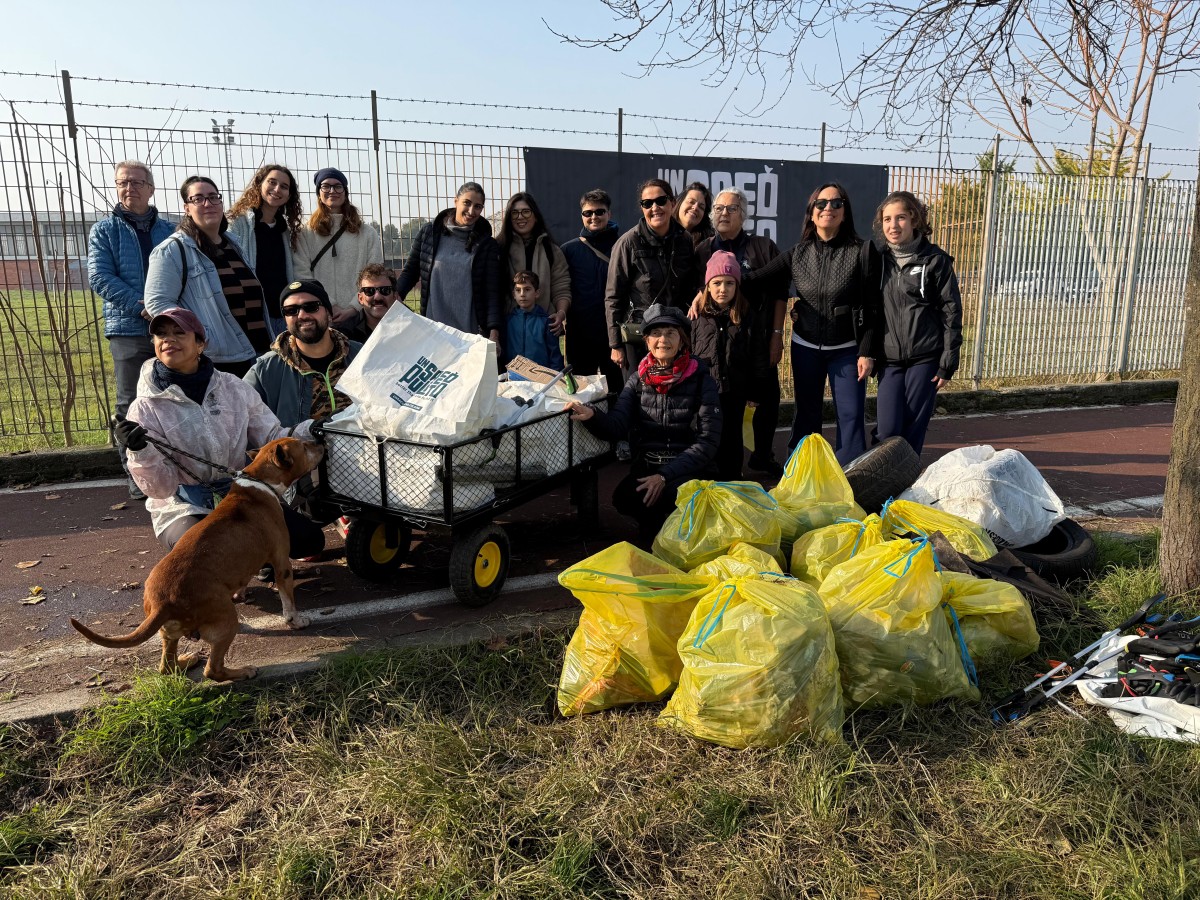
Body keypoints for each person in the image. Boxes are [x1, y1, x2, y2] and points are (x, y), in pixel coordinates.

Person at [114, 307, 324, 561]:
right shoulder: (146, 406)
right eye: (161, 334)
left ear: (200, 343)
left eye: (179, 333)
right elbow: (160, 489)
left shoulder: (232, 387)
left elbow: (271, 435)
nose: (168, 339)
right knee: (203, 552)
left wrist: (310, 429)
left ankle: (253, 555)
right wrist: (139, 452)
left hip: (238, 494)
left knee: (310, 541)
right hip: (183, 505)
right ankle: (249, 556)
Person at [744, 182, 882, 465]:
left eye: (836, 203)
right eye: (821, 203)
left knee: (851, 414)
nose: (828, 208)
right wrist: (710, 286)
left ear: (845, 211)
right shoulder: (798, 253)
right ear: (811, 211)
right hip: (805, 345)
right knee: (807, 413)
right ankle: (801, 475)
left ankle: (851, 477)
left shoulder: (863, 251)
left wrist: (866, 350)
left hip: (847, 349)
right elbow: (756, 279)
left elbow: (873, 307)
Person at [567, 304, 720, 544]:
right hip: (647, 466)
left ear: (682, 341)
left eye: (671, 333)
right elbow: (617, 424)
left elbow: (707, 443)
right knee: (626, 498)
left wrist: (663, 476)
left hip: (687, 470)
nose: (663, 340)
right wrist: (592, 416)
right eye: (656, 333)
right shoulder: (637, 380)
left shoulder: (702, 379)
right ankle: (663, 536)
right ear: (646, 341)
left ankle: (676, 538)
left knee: (666, 497)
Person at [88, 160, 176, 499]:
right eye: (123, 182)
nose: (130, 188)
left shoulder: (169, 230)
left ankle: (170, 468)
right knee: (129, 402)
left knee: (170, 397)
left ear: (151, 188)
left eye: (138, 182)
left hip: (168, 327)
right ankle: (135, 473)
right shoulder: (103, 231)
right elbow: (100, 277)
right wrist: (142, 306)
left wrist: (165, 311)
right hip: (127, 327)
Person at [694, 187, 787, 477]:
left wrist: (776, 335)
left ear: (743, 215)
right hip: (721, 348)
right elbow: (698, 293)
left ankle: (762, 455)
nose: (724, 213)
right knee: (724, 411)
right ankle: (719, 466)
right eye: (719, 208)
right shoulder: (702, 249)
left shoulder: (763, 247)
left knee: (767, 398)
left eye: (731, 208)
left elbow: (780, 294)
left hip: (757, 342)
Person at [144, 176, 268, 378]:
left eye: (213, 197)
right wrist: (201, 335)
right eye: (198, 199)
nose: (207, 204)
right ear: (186, 208)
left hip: (256, 351)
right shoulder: (171, 250)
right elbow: (158, 302)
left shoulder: (234, 244)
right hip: (218, 357)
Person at [874, 190, 963, 454]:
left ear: (914, 220)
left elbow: (951, 312)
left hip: (925, 359)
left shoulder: (935, 260)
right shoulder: (877, 260)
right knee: (888, 428)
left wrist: (948, 361)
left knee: (913, 426)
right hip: (888, 360)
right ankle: (882, 479)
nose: (893, 225)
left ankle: (907, 483)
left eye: (900, 217)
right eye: (887, 219)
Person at [605, 179, 697, 379]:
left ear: (672, 203)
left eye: (661, 201)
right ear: (642, 208)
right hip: (639, 336)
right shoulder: (627, 243)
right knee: (637, 398)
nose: (655, 208)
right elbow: (613, 297)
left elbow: (690, 287)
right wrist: (615, 345)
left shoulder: (685, 240)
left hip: (675, 337)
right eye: (647, 203)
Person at [244, 280, 362, 431]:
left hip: (363, 452)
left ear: (328, 312)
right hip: (303, 454)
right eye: (291, 310)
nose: (302, 315)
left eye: (311, 307)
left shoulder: (361, 355)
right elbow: (238, 417)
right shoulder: (265, 370)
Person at [396, 181, 504, 345]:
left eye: (478, 206)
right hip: (433, 331)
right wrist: (395, 296)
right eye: (466, 203)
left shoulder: (487, 245)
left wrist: (494, 333)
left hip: (470, 337)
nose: (471, 211)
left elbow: (492, 292)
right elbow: (410, 271)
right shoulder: (429, 233)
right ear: (456, 201)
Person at [690, 251, 752, 480]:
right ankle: (708, 480)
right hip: (705, 393)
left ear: (737, 286)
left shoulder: (745, 316)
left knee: (733, 436)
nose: (722, 289)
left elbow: (755, 355)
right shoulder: (696, 317)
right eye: (716, 283)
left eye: (729, 283)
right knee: (706, 435)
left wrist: (754, 391)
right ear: (707, 286)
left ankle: (733, 479)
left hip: (735, 391)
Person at [295, 167, 383, 326]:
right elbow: (302, 272)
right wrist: (328, 303)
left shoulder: (367, 233)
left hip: (360, 315)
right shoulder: (305, 233)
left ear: (345, 192)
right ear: (318, 193)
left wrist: (353, 307)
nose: (332, 191)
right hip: (320, 312)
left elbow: (375, 275)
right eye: (326, 186)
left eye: (338, 186)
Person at [227, 164, 303, 340]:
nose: (277, 189)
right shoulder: (238, 224)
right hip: (251, 316)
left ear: (289, 195)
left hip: (282, 314)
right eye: (272, 182)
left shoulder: (286, 231)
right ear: (259, 184)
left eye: (284, 187)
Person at [560, 188, 622, 391]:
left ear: (609, 214)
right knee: (580, 391)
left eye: (599, 212)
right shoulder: (568, 250)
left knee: (616, 390)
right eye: (588, 213)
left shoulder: (624, 245)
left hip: (614, 334)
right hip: (580, 335)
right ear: (582, 216)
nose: (594, 217)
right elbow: (559, 287)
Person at [496, 192, 571, 335]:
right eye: (514, 213)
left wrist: (561, 313)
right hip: (509, 328)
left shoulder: (552, 250)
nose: (520, 217)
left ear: (535, 216)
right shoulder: (498, 248)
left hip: (543, 327)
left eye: (526, 212)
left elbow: (561, 286)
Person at [505, 271, 564, 369]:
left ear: (537, 293)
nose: (522, 294)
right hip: (513, 378)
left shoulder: (546, 321)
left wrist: (557, 379)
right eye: (518, 290)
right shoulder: (508, 321)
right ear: (514, 294)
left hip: (542, 379)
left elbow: (555, 355)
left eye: (527, 289)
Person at [342, 263, 400, 343]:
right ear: (360, 298)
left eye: (385, 290)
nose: (377, 297)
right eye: (369, 291)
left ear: (395, 296)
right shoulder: (345, 335)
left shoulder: (411, 327)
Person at [676, 181, 714, 248]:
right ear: (680, 203)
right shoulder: (662, 231)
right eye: (691, 202)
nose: (695, 207)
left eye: (701, 207)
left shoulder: (708, 245)